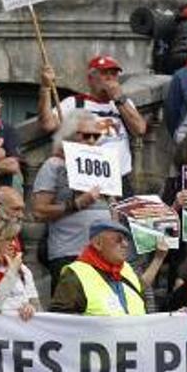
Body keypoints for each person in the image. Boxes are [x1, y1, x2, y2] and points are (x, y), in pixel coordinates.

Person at [39, 54, 147, 194]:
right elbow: (47, 124)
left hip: (120, 179)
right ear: (91, 79)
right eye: (104, 74)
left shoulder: (123, 104)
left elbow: (140, 129)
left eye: (114, 74)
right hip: (89, 178)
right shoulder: (75, 103)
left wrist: (119, 99)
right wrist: (45, 89)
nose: (110, 78)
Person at [31, 109, 116, 285]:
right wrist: (76, 204)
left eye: (95, 136)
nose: (91, 141)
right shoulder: (54, 165)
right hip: (69, 253)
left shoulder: (103, 164)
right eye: (86, 136)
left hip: (102, 253)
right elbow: (39, 211)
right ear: (69, 136)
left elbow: (112, 206)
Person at [51, 221, 147, 316]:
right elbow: (62, 322)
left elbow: (142, 296)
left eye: (126, 240)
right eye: (119, 239)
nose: (125, 245)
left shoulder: (126, 268)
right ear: (98, 244)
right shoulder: (76, 274)